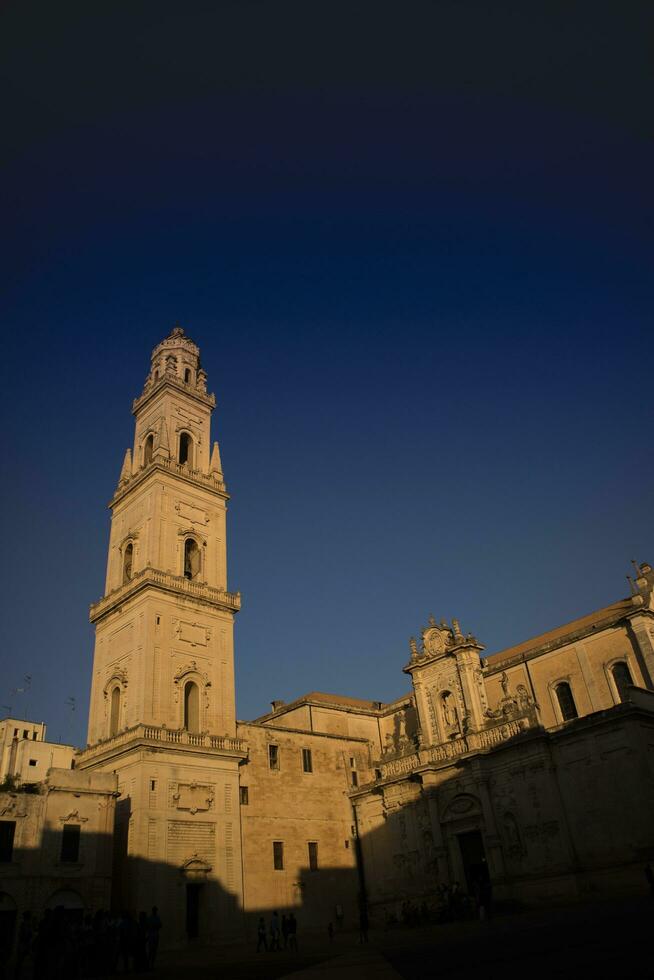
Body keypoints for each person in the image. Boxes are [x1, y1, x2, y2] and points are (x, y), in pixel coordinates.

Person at [14, 911, 33, 979]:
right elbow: (25, 935)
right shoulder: (26, 924)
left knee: (20, 960)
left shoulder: (24, 924)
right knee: (20, 960)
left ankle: (18, 974)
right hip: (24, 944)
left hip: (23, 944)